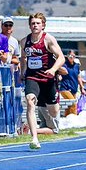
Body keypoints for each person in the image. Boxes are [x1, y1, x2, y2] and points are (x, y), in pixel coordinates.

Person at [22, 12, 66, 150]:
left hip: (48, 78)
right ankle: (34, 138)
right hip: (32, 77)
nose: (35, 25)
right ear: (29, 26)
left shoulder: (48, 40)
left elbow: (61, 57)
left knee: (53, 112)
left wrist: (53, 70)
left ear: (43, 25)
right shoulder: (24, 41)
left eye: (37, 23)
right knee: (30, 101)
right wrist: (22, 72)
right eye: (33, 23)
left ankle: (53, 105)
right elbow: (24, 57)